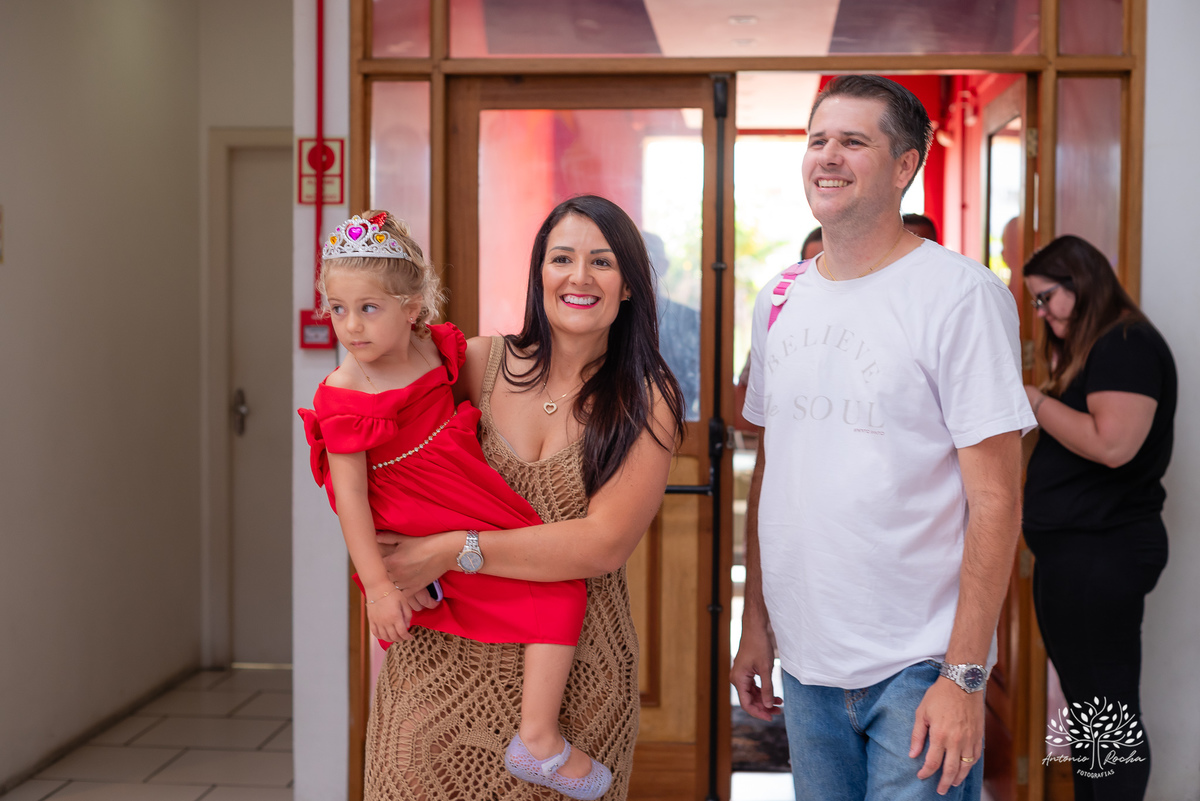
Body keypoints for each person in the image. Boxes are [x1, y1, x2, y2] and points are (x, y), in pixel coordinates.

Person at [731, 74, 1035, 799]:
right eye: (818, 140)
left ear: (905, 166)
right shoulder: (779, 298)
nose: (828, 156)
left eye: (853, 141)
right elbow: (775, 472)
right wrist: (756, 626)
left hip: (919, 665)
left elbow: (996, 500)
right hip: (808, 660)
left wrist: (965, 675)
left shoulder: (963, 296)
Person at [364, 196, 686, 800]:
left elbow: (601, 544)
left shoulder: (647, 399)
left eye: (602, 262)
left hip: (576, 681)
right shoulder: (475, 363)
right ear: (540, 273)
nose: (579, 277)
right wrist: (382, 576)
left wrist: (450, 550)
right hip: (438, 667)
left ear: (629, 287)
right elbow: (382, 454)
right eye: (561, 258)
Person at [299, 210, 620, 798]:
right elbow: (350, 500)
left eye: (368, 308)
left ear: (412, 308)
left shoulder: (442, 353)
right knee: (557, 593)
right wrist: (380, 587)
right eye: (338, 309)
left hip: (463, 497)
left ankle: (534, 734)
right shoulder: (345, 392)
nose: (351, 326)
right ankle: (539, 741)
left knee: (561, 583)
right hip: (414, 509)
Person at [1022, 235, 1175, 800]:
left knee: (1107, 711)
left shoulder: (1126, 344)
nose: (1041, 312)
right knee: (1092, 711)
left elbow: (1113, 445)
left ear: (1080, 283)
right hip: (1078, 554)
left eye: (1046, 298)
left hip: (1102, 553)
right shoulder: (1101, 347)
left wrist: (1036, 400)